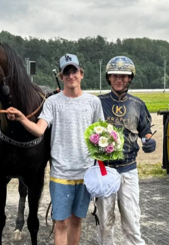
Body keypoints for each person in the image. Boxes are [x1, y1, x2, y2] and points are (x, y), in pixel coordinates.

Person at [6, 54, 104, 245]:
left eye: (74, 71)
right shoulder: (52, 103)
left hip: (85, 173)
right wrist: (21, 118)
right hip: (61, 174)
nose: (71, 75)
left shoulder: (94, 102)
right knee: (61, 223)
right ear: (61, 76)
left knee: (77, 221)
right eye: (66, 72)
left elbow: (100, 135)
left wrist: (104, 158)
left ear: (81, 74)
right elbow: (39, 129)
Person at [96, 56, 156, 245]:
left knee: (131, 221)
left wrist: (149, 142)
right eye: (115, 75)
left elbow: (145, 131)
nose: (119, 79)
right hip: (104, 171)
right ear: (109, 77)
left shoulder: (137, 104)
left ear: (130, 78)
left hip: (128, 171)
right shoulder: (97, 102)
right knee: (104, 224)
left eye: (124, 76)